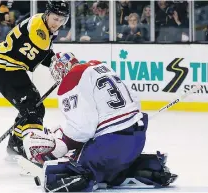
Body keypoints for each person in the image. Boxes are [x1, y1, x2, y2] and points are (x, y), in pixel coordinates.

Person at [23, 53, 178, 192]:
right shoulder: (100, 66)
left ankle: (89, 177)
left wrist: (60, 146)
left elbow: (82, 129)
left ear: (60, 70)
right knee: (113, 165)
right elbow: (135, 100)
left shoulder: (71, 79)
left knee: (73, 168)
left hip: (111, 145)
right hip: (137, 139)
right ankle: (151, 168)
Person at [0, 0, 70, 156]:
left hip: (8, 67)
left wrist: (58, 63)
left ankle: (16, 145)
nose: (57, 23)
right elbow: (43, 57)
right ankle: (30, 151)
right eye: (55, 18)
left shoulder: (42, 22)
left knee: (32, 107)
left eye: (62, 20)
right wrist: (58, 64)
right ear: (47, 14)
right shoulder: (39, 31)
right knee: (32, 108)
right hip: (2, 67)